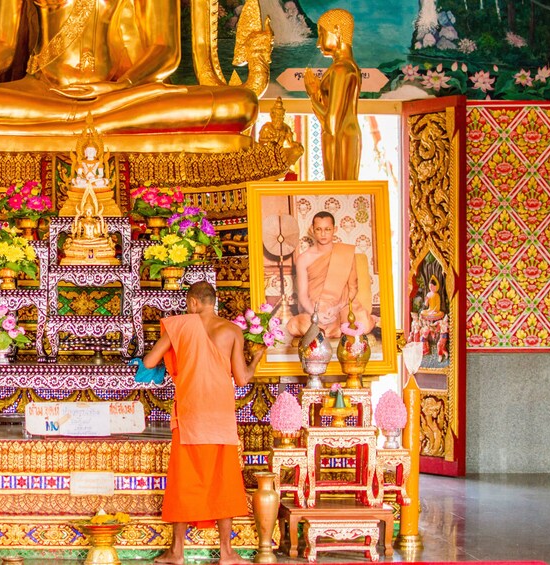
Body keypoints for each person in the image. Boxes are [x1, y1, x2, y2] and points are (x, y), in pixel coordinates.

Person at [0, 0, 261, 136]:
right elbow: (3, 42)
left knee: (239, 103)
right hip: (40, 90)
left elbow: (165, 50)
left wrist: (124, 86)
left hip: (124, 93)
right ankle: (94, 121)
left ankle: (84, 120)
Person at [141, 282, 265, 565]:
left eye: (188, 304)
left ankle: (177, 552)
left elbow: (149, 361)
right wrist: (256, 359)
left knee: (185, 482)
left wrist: (175, 360)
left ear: (194, 302)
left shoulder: (181, 325)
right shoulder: (232, 331)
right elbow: (243, 378)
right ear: (213, 302)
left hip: (190, 415)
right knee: (223, 481)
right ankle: (227, 553)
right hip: (220, 416)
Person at [286, 211, 373, 339]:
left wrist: (337, 308)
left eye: (327, 229)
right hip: (317, 307)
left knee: (363, 323)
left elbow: (353, 289)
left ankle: (330, 330)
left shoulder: (345, 253)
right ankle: (338, 330)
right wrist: (316, 314)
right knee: (296, 325)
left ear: (335, 229)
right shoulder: (304, 259)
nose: (323, 234)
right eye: (319, 229)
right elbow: (303, 296)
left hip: (342, 306)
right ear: (312, 229)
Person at [304, 8, 361, 181]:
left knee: (340, 196)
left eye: (321, 34)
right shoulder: (346, 67)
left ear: (336, 31)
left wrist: (313, 95)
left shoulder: (342, 69)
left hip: (341, 139)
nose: (318, 43)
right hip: (342, 137)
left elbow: (332, 123)